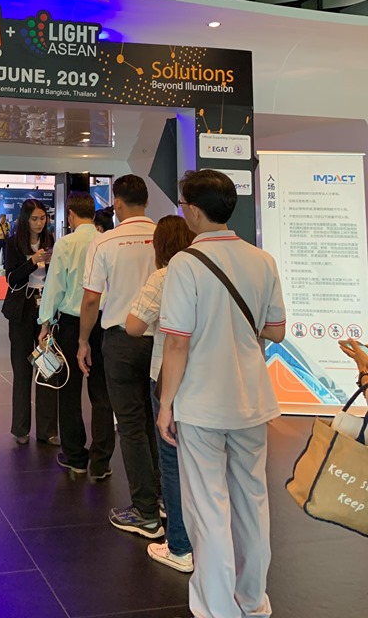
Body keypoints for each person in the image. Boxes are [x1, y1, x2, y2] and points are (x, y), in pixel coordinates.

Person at [157, 169, 286, 618]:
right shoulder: (262, 260)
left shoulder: (185, 263)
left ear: (193, 210)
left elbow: (177, 342)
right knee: (252, 502)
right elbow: (276, 331)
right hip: (252, 399)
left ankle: (217, 609)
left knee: (208, 508)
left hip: (201, 403)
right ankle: (253, 601)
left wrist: (165, 404)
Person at [78, 175, 162, 538]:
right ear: (146, 201)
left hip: (121, 339)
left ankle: (145, 511)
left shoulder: (105, 241)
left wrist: (83, 341)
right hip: (162, 339)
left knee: (130, 424)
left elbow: (91, 298)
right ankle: (163, 498)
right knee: (158, 420)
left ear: (118, 203)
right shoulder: (165, 235)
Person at [124, 215, 195, 573]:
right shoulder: (205, 272)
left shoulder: (163, 276)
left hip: (169, 374)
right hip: (207, 377)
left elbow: (134, 325)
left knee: (171, 459)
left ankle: (179, 546)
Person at [37, 192, 114, 478]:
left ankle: (75, 456)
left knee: (68, 390)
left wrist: (44, 323)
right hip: (103, 322)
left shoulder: (66, 243)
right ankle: (102, 460)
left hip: (71, 323)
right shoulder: (105, 240)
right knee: (101, 392)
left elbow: (54, 285)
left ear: (70, 214)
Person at [2, 198, 58, 446]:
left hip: (46, 310)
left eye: (42, 218)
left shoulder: (51, 240)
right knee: (22, 370)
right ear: (25, 219)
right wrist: (32, 261)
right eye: (34, 219)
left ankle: (47, 430)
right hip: (22, 310)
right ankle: (21, 428)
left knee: (47, 368)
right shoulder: (14, 243)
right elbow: (11, 278)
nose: (39, 223)